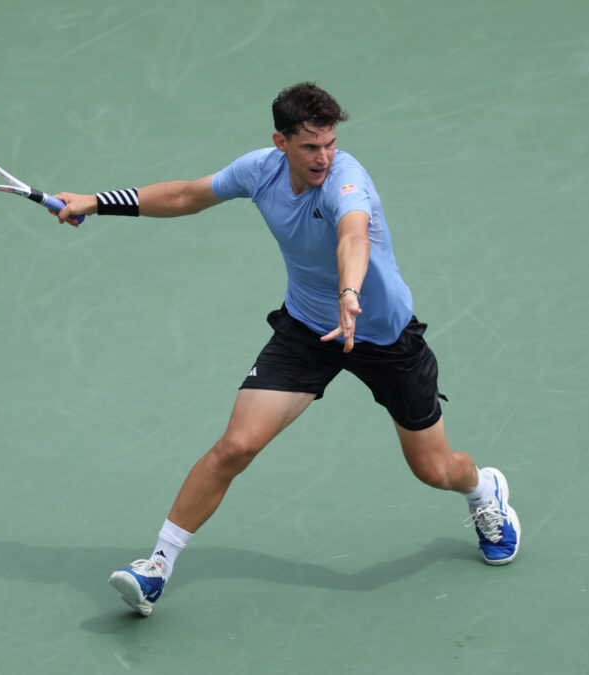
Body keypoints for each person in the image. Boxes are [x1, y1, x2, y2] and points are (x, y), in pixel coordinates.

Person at [52, 82, 519, 617]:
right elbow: (185, 195)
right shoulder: (259, 170)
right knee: (236, 446)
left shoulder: (347, 180)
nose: (323, 157)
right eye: (309, 147)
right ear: (281, 142)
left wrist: (349, 294)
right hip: (308, 331)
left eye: (330, 144)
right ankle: (156, 566)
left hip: (383, 337)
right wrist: (95, 201)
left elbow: (353, 237)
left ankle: (484, 490)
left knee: (435, 470)